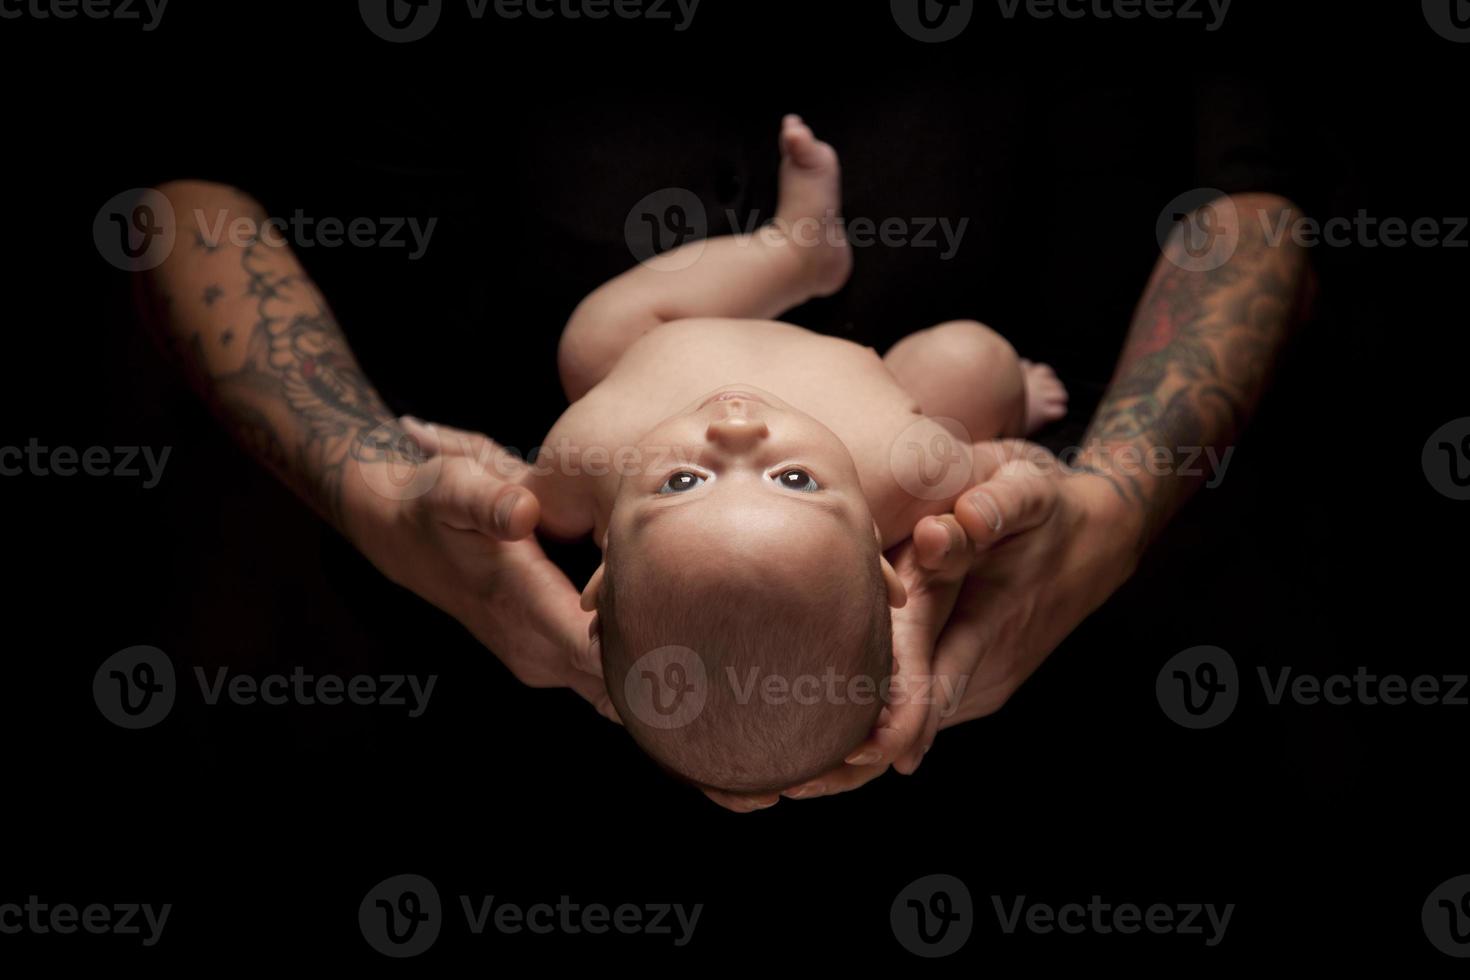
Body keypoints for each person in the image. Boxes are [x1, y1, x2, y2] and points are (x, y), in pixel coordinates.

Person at [531, 114, 1067, 793]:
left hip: (673, 337)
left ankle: (790, 252)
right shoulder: (906, 472)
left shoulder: (584, 454)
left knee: (592, 340)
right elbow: (1008, 474)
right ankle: (991, 370)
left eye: (680, 481)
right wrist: (1016, 440)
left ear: (602, 578)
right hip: (880, 380)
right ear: (882, 560)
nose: (734, 435)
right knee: (969, 360)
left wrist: (464, 469)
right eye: (795, 479)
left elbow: (525, 507)